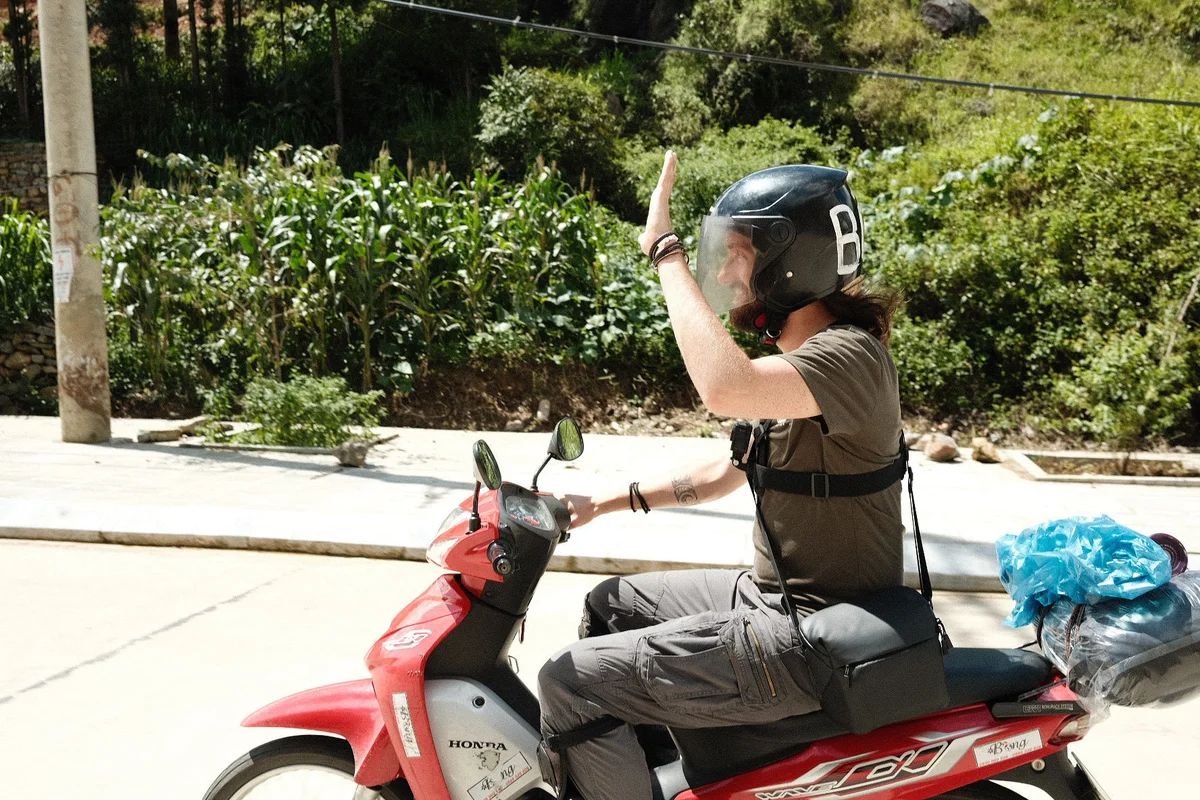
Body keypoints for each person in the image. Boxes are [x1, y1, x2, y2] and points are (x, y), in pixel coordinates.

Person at [537, 152, 905, 800]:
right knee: (609, 606)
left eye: (738, 254)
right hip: (775, 595)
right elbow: (727, 470)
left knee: (568, 681)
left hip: (809, 631)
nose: (729, 271)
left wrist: (666, 253)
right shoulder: (802, 367)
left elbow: (722, 387)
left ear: (791, 263)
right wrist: (603, 502)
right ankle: (636, 778)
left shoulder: (848, 359)